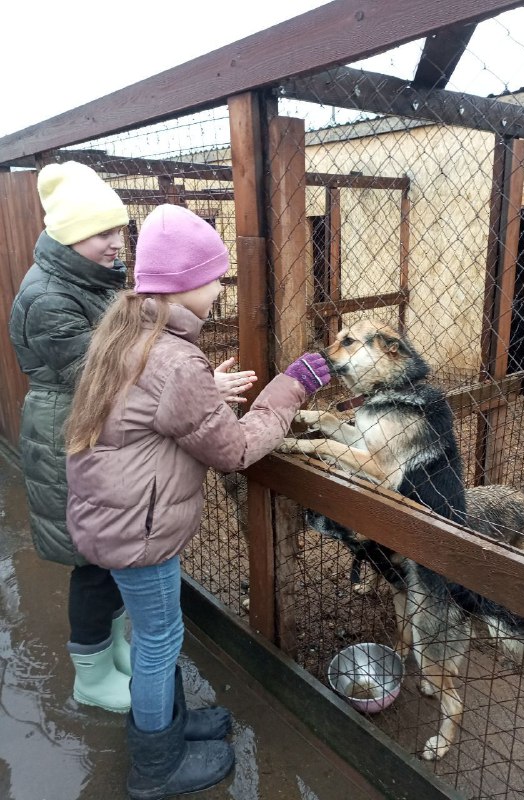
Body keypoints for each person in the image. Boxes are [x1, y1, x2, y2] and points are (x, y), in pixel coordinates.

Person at [64, 203, 330, 800]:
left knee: (156, 632)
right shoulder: (176, 358)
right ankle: (155, 768)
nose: (218, 289)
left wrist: (206, 389)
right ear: (186, 284)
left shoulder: (131, 331)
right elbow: (234, 449)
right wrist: (288, 389)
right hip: (141, 532)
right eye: (216, 278)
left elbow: (153, 407)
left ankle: (174, 729)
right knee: (159, 641)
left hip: (118, 518)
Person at [8, 160, 134, 713]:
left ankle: (112, 653)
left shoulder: (87, 279)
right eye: (103, 232)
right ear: (68, 234)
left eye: (119, 229)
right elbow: (99, 375)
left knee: (105, 556)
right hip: (66, 438)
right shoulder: (49, 297)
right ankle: (91, 673)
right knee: (90, 563)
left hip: (86, 432)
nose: (117, 243)